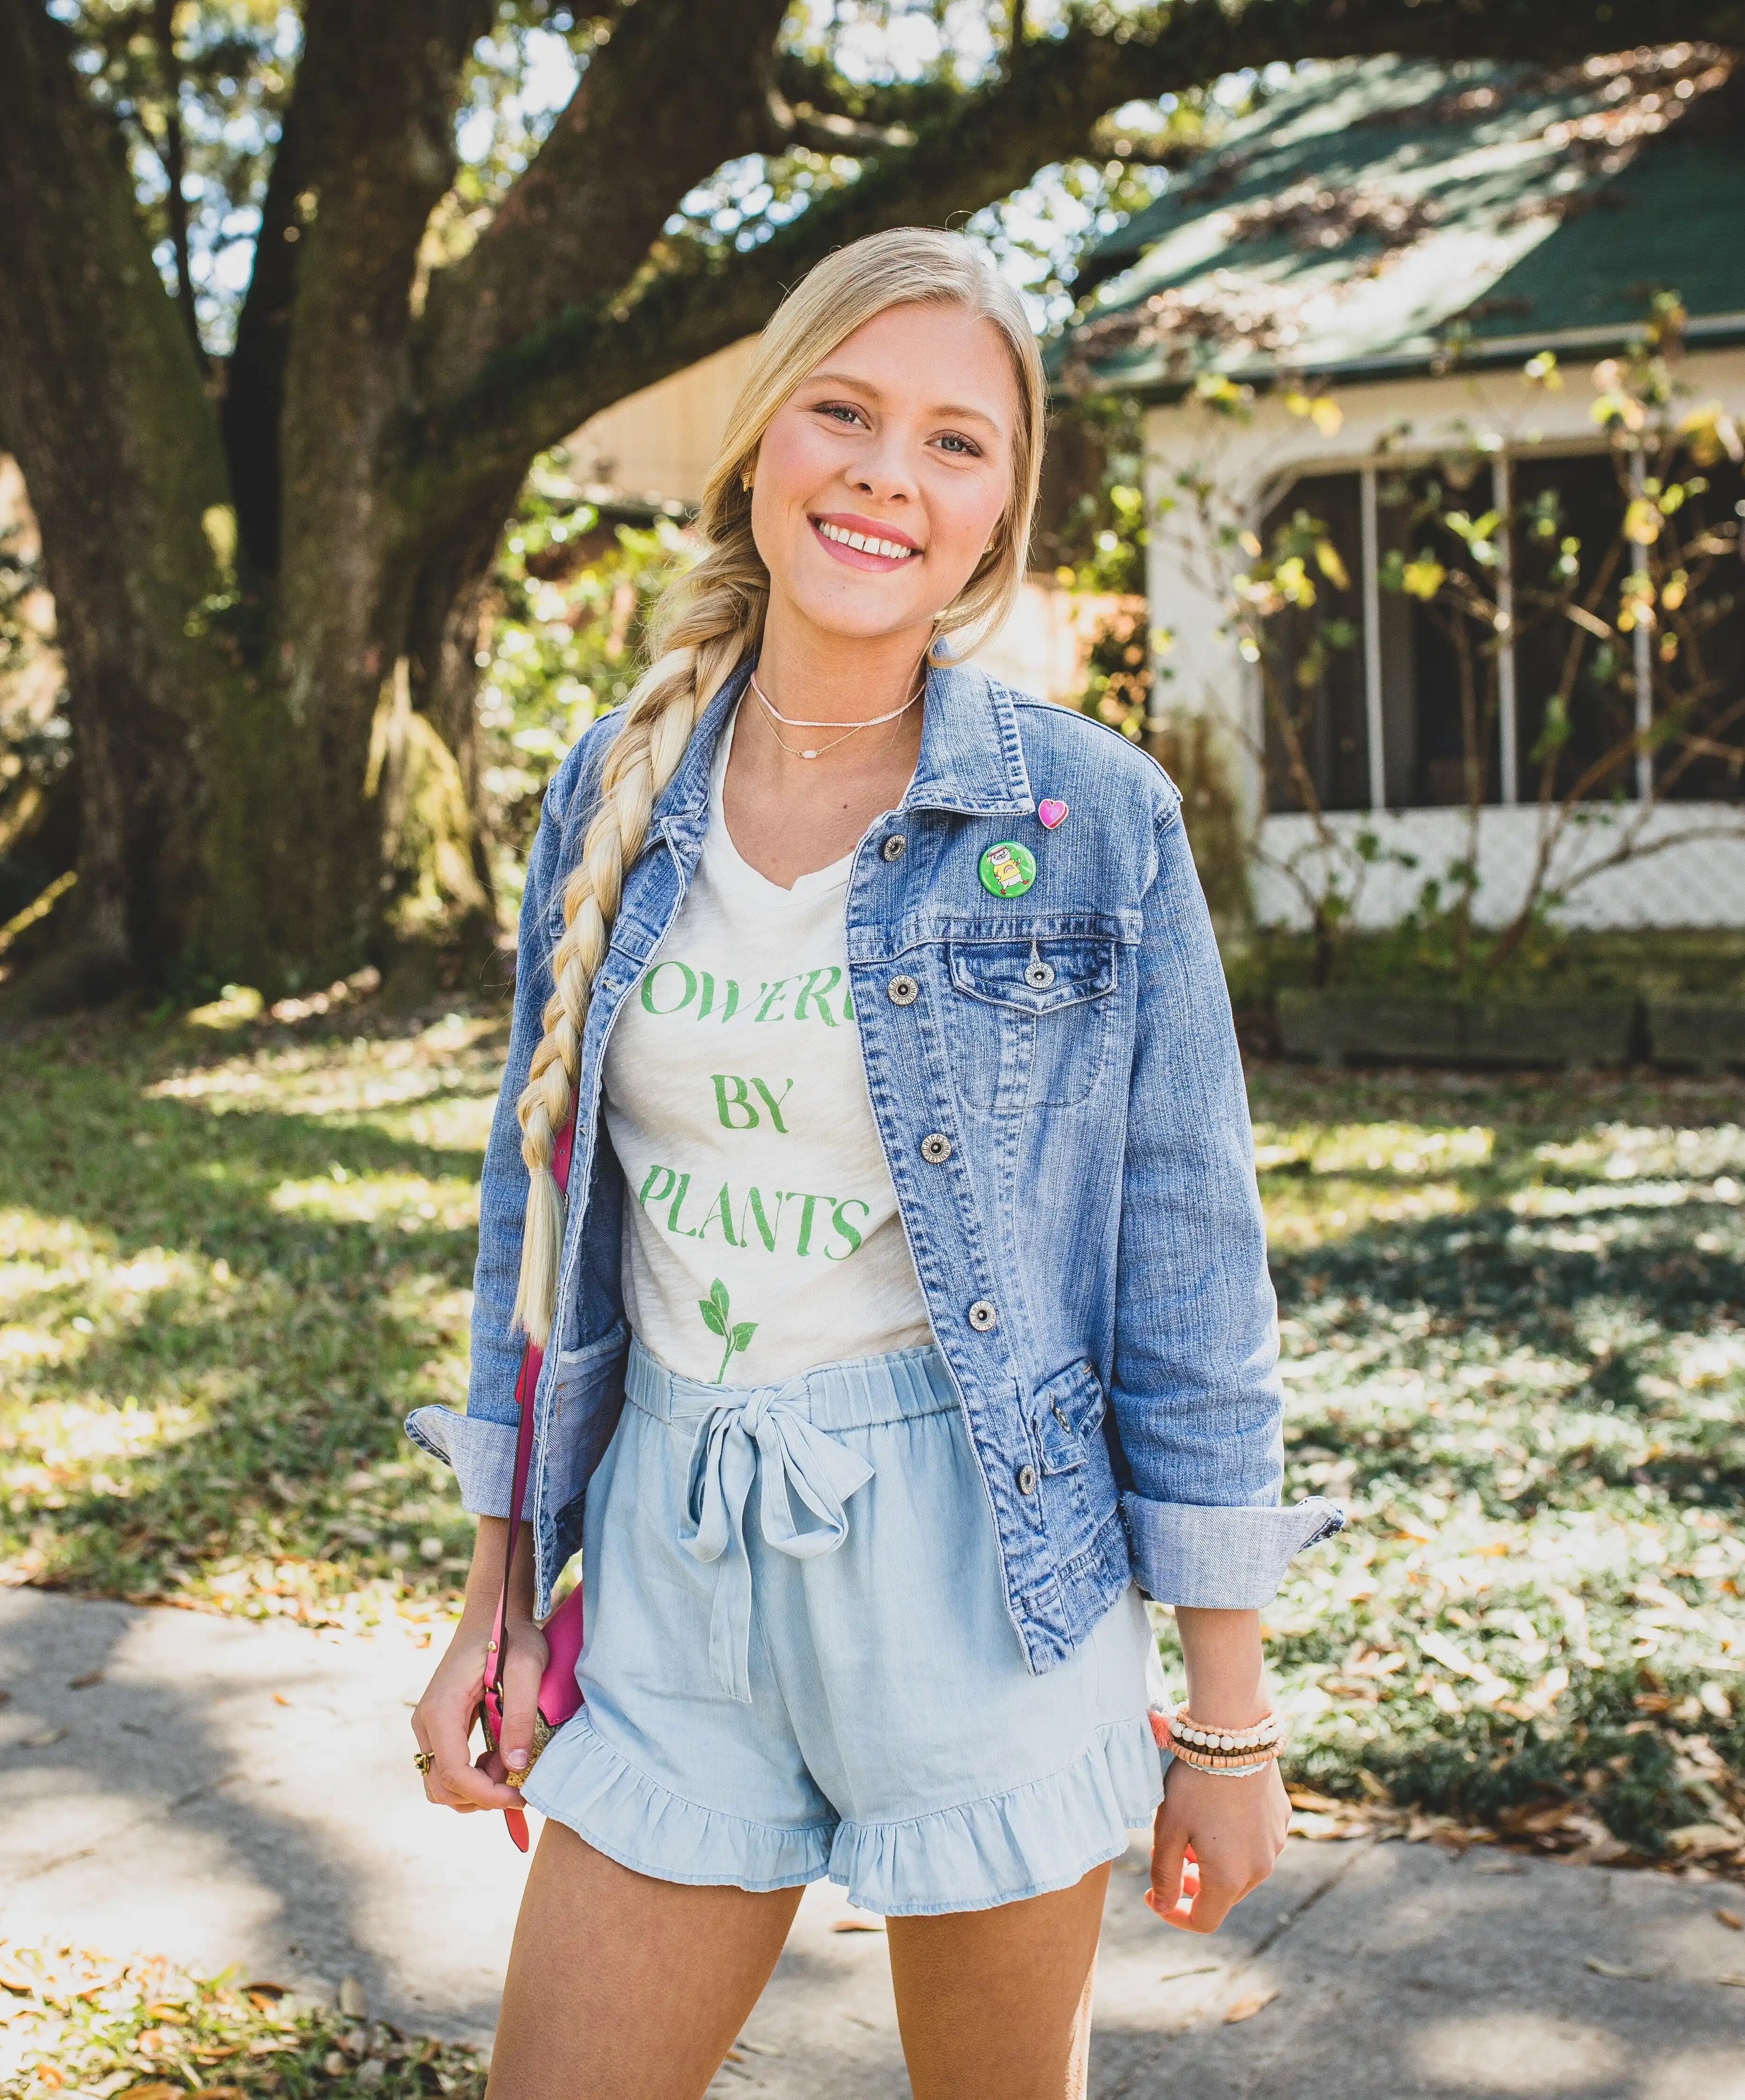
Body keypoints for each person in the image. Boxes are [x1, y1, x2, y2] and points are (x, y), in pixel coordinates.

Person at [405, 225, 1342, 2100]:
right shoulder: (612, 789)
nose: (885, 475)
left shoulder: (1091, 820)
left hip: (979, 1574)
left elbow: (1187, 1269)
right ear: (762, 441)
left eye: (954, 442)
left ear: (1002, 513)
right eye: (842, 411)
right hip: (675, 1557)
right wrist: (499, 1594)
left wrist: (1228, 1720)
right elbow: (539, 1221)